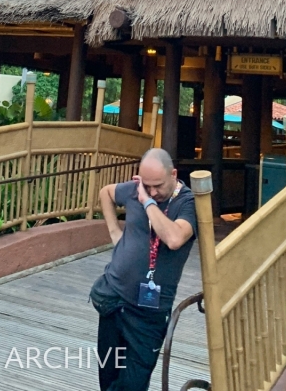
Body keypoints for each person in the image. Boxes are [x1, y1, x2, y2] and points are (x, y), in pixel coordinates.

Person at [91, 147, 197, 391]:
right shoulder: (137, 189)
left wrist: (147, 201)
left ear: (173, 174)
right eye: (147, 186)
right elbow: (106, 193)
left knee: (133, 384)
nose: (153, 192)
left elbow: (174, 238)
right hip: (114, 300)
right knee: (108, 379)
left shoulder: (187, 202)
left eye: (158, 186)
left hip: (148, 314)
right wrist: (114, 232)